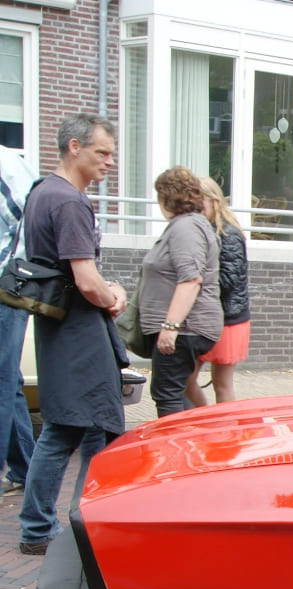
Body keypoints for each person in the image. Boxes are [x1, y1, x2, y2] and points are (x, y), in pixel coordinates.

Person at [18, 114, 129, 555]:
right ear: (74, 147)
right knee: (99, 431)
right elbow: (86, 279)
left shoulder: (41, 192)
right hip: (80, 332)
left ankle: (36, 527)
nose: (109, 162)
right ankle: (88, 530)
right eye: (102, 152)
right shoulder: (69, 202)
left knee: (62, 428)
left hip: (56, 326)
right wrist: (113, 295)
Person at [139, 167, 222, 417]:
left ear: (166, 197)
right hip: (185, 328)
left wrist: (170, 327)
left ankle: (175, 452)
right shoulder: (189, 225)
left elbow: (191, 280)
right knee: (177, 389)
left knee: (167, 393)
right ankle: (192, 444)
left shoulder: (186, 228)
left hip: (185, 328)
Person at [185, 176, 249, 406]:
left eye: (200, 204)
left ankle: (222, 429)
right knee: (188, 379)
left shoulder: (228, 234)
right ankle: (211, 421)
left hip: (228, 319)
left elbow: (228, 279)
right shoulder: (208, 230)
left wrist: (194, 284)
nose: (196, 211)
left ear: (214, 200)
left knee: (221, 384)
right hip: (215, 316)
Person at [0, 145, 37, 498]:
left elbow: (34, 216)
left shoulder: (6, 164)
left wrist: (13, 272)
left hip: (4, 288)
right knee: (6, 381)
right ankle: (26, 467)